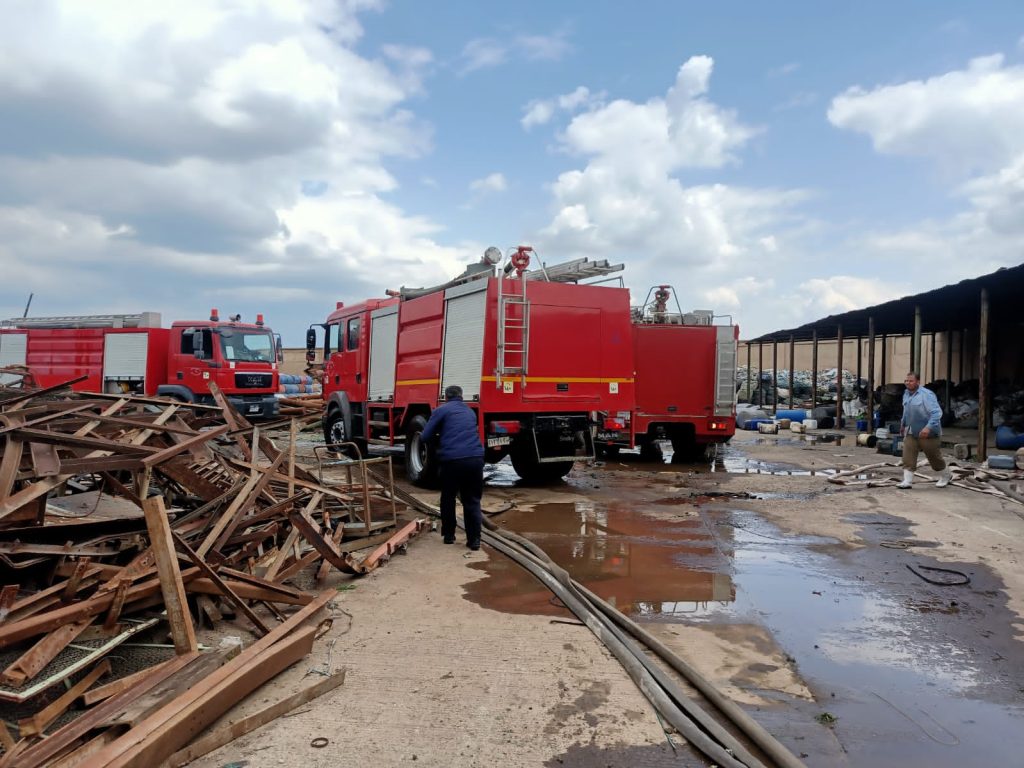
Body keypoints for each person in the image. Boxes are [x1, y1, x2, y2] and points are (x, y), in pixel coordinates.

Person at [421, 385, 485, 549]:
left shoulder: (441, 410)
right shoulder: (470, 412)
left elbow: (425, 436)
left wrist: (439, 440)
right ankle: (474, 540)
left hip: (452, 461)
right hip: (475, 459)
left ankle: (449, 535)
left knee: (448, 497)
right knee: (472, 500)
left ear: (445, 397)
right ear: (461, 396)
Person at [898, 372, 951, 489]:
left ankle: (946, 475)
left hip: (928, 432)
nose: (908, 383)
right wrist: (903, 424)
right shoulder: (906, 393)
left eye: (911, 381)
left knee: (934, 457)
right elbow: (906, 411)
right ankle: (907, 481)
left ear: (918, 382)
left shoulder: (926, 395)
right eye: (906, 381)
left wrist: (928, 427)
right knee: (907, 456)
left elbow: (937, 413)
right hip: (911, 430)